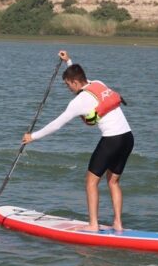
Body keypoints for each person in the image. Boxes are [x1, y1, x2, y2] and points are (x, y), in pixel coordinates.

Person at [22, 50, 133, 232]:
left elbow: (57, 124)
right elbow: (81, 78)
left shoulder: (78, 102)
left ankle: (93, 225)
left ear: (74, 82)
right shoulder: (98, 83)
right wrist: (69, 61)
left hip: (111, 140)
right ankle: (118, 223)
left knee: (90, 182)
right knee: (113, 182)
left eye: (68, 85)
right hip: (128, 137)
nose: (68, 89)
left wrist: (33, 137)